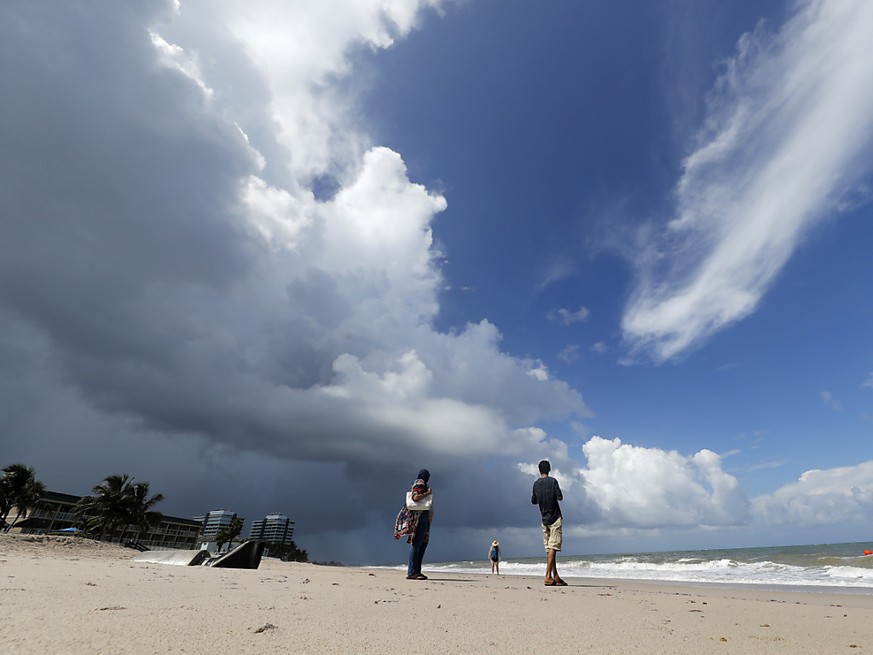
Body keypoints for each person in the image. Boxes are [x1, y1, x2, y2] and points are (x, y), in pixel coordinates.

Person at [531, 459, 566, 586]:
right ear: (549, 469)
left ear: (539, 470)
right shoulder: (553, 481)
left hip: (544, 518)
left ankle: (555, 576)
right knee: (554, 547)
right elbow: (560, 497)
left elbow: (533, 501)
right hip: (555, 517)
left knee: (550, 548)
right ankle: (547, 576)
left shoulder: (536, 484)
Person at [406, 468, 432, 580]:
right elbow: (415, 497)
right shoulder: (420, 483)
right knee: (417, 544)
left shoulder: (419, 483)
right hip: (419, 517)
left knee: (422, 544)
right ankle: (412, 571)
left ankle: (416, 571)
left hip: (422, 517)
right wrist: (427, 493)